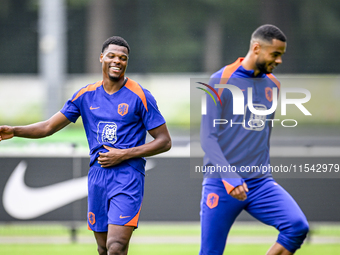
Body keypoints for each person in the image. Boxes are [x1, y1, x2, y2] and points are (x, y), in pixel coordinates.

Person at [0, 36, 171, 255]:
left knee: (115, 247)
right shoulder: (85, 95)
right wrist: (14, 131)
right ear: (101, 58)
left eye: (123, 58)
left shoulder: (140, 96)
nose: (117, 61)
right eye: (112, 56)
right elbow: (48, 127)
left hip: (127, 177)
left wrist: (123, 154)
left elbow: (164, 141)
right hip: (98, 177)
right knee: (103, 249)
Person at [199, 24, 309, 255]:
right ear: (256, 48)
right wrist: (229, 177)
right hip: (221, 184)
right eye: (275, 54)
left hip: (260, 183)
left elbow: (262, 135)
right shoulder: (219, 79)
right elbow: (207, 137)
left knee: (297, 226)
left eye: (282, 55)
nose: (279, 61)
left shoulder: (274, 85)